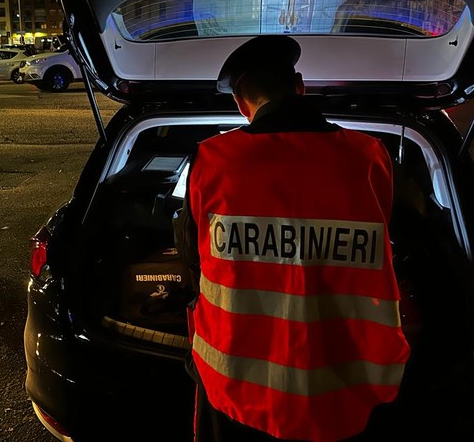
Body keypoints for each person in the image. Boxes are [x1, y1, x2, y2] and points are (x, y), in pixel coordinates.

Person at [172, 35, 411, 442]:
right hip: (350, 391)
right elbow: (397, 240)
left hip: (236, 390)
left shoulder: (212, 160)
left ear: (240, 103)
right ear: (299, 86)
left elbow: (191, 256)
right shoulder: (370, 157)